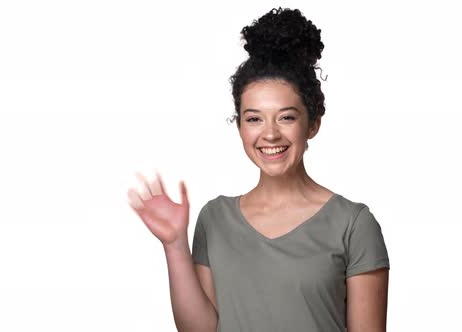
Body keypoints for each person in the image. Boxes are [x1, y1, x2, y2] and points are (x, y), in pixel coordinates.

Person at [127, 7, 390, 332]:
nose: (270, 134)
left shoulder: (353, 224)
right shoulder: (214, 218)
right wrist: (174, 244)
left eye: (287, 117)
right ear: (239, 127)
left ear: (313, 124)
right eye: (254, 118)